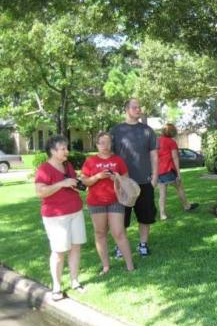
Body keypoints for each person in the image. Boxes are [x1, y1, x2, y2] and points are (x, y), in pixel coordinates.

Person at [35, 135, 87, 301]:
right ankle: (56, 286)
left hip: (75, 211)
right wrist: (60, 184)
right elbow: (40, 192)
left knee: (76, 247)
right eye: (63, 148)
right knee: (59, 252)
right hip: (56, 216)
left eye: (66, 148)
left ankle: (74, 281)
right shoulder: (44, 169)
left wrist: (78, 183)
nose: (67, 151)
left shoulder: (68, 165)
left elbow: (73, 185)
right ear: (52, 151)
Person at [81, 132, 135, 273]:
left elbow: (127, 181)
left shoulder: (118, 160)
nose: (105, 146)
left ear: (111, 144)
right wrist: (97, 177)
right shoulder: (90, 161)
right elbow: (84, 181)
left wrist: (116, 179)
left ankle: (130, 265)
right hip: (96, 201)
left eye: (108, 142)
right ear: (97, 144)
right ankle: (106, 266)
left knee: (118, 232)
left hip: (115, 200)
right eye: (102, 142)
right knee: (100, 233)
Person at [111, 98, 158, 257]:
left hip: (145, 181)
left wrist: (155, 176)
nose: (138, 110)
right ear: (127, 110)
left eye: (139, 107)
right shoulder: (116, 131)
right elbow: (109, 156)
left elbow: (154, 155)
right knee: (121, 219)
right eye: (135, 107)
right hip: (123, 183)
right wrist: (115, 178)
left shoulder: (147, 131)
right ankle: (120, 247)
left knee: (145, 217)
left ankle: (143, 245)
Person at [157, 123, 199, 220]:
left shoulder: (157, 141)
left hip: (159, 171)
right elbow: (175, 158)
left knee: (162, 193)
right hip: (168, 170)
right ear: (172, 132)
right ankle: (186, 206)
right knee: (179, 187)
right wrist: (179, 174)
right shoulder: (171, 142)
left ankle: (162, 214)